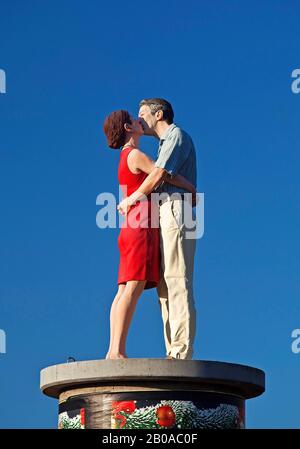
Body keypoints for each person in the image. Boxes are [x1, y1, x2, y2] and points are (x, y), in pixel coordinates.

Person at [103, 110, 196, 359]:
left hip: (129, 227)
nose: (139, 121)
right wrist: (191, 188)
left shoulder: (124, 158)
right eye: (135, 119)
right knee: (132, 288)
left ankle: (114, 348)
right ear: (127, 127)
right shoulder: (135, 155)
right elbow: (162, 173)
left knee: (124, 289)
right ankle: (117, 351)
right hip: (140, 227)